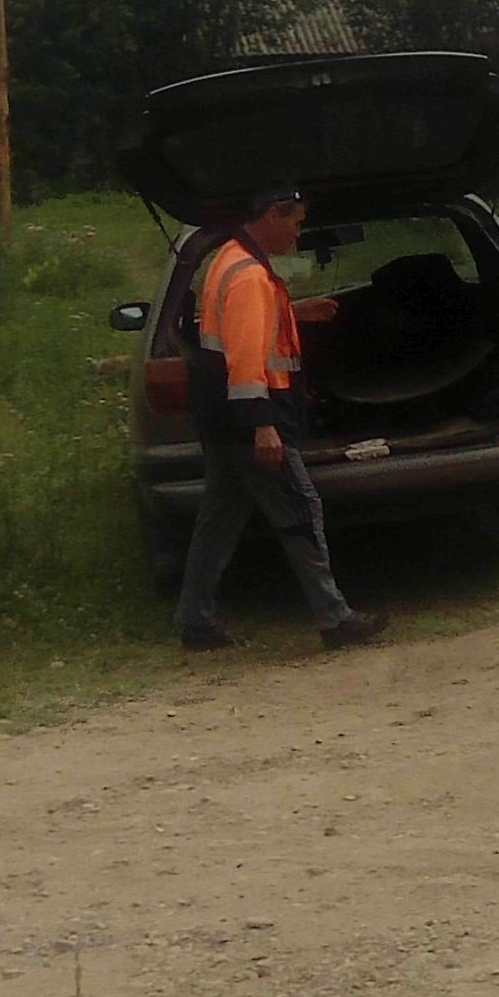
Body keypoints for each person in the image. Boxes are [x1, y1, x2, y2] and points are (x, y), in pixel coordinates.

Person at [175, 184, 389, 654]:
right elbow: (246, 358)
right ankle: (335, 618)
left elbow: (241, 327)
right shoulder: (250, 276)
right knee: (301, 511)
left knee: (218, 522)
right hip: (252, 423)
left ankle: (195, 621)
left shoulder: (228, 259)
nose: (298, 233)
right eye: (295, 222)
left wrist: (292, 311)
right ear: (273, 214)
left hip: (222, 422)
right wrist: (263, 425)